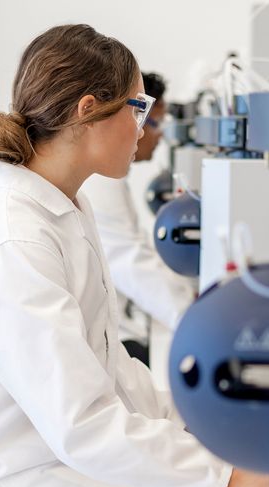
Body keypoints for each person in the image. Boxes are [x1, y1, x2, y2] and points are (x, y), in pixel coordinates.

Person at [0, 24, 269, 487]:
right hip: (3, 483)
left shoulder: (66, 208)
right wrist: (230, 476)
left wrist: (193, 421)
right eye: (138, 109)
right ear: (88, 111)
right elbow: (82, 422)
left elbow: (108, 367)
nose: (144, 129)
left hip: (47, 451)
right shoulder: (15, 244)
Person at [79, 72, 194, 365]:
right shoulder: (100, 179)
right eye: (147, 119)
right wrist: (190, 314)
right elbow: (127, 259)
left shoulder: (109, 178)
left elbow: (133, 247)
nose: (148, 133)